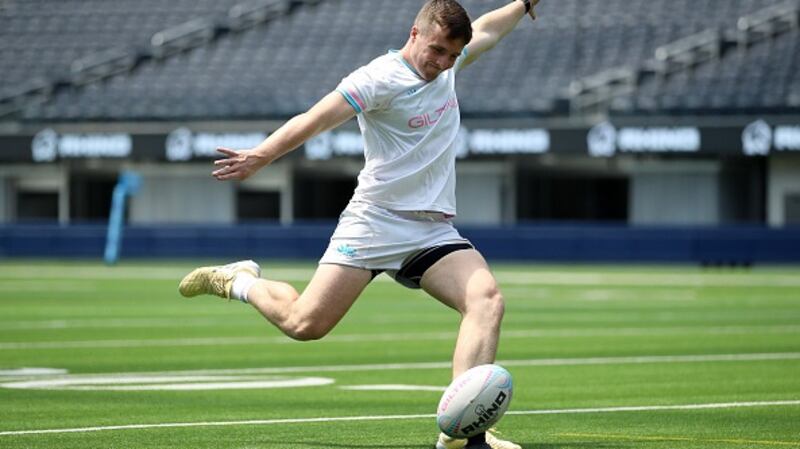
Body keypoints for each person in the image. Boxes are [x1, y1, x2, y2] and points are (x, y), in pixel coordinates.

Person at [179, 1, 540, 447]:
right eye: (437, 50)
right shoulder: (377, 78)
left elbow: (487, 29)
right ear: (414, 33)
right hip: (374, 223)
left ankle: (467, 438)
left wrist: (523, 5)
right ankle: (240, 281)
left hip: (431, 230)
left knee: (486, 300)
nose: (444, 62)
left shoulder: (447, 65)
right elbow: (315, 118)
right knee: (304, 324)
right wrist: (262, 155)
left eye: (452, 55)